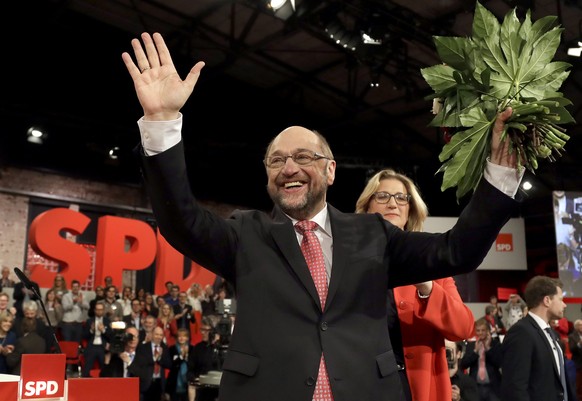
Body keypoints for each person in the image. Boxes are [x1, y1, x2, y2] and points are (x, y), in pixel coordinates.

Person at [121, 32, 522, 401]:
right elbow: (182, 221)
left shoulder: (374, 235)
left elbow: (457, 252)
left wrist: (500, 176)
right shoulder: (245, 234)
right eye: (276, 160)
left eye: (303, 157)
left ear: (331, 171)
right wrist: (161, 124)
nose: (288, 167)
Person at [355, 168, 476, 401]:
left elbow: (463, 328)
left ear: (410, 209)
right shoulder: (346, 260)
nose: (393, 204)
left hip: (417, 390)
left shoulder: (430, 264)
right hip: (362, 386)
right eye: (382, 196)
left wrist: (426, 286)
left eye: (401, 198)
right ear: (367, 206)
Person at [501, 276, 576, 401]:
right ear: (547, 300)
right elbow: (515, 388)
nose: (565, 305)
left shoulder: (553, 334)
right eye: (561, 299)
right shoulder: (521, 332)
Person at [460, 318, 503, 401]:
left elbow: (499, 362)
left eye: (483, 330)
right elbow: (463, 364)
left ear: (488, 331)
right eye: (478, 330)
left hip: (493, 387)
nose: (480, 333)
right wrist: (475, 352)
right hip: (476, 386)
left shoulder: (495, 344)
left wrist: (488, 349)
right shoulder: (471, 345)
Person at [128, 326, 172, 401]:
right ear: (152, 334)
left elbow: (169, 365)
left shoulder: (164, 348)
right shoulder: (143, 347)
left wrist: (159, 358)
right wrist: (154, 358)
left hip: (159, 384)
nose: (158, 337)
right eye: (156, 334)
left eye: (161, 335)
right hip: (146, 382)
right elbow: (141, 363)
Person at [165, 328, 194, 401]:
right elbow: (172, 364)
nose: (181, 338)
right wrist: (181, 356)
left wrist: (186, 356)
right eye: (179, 336)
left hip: (188, 383)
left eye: (184, 336)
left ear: (187, 338)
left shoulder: (192, 349)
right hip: (174, 383)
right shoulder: (172, 349)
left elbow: (193, 364)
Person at [569, 319, 582, 401]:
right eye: (580, 325)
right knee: (579, 385)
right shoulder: (572, 336)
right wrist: (579, 344)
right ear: (576, 326)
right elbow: (572, 349)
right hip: (578, 363)